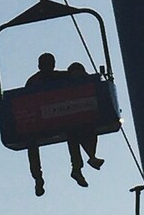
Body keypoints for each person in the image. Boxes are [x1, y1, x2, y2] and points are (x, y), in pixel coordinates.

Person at [25, 54, 96, 196]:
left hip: (56, 120)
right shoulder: (35, 81)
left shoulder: (59, 77)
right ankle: (38, 177)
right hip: (42, 121)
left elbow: (78, 77)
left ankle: (77, 168)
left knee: (72, 131)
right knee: (32, 139)